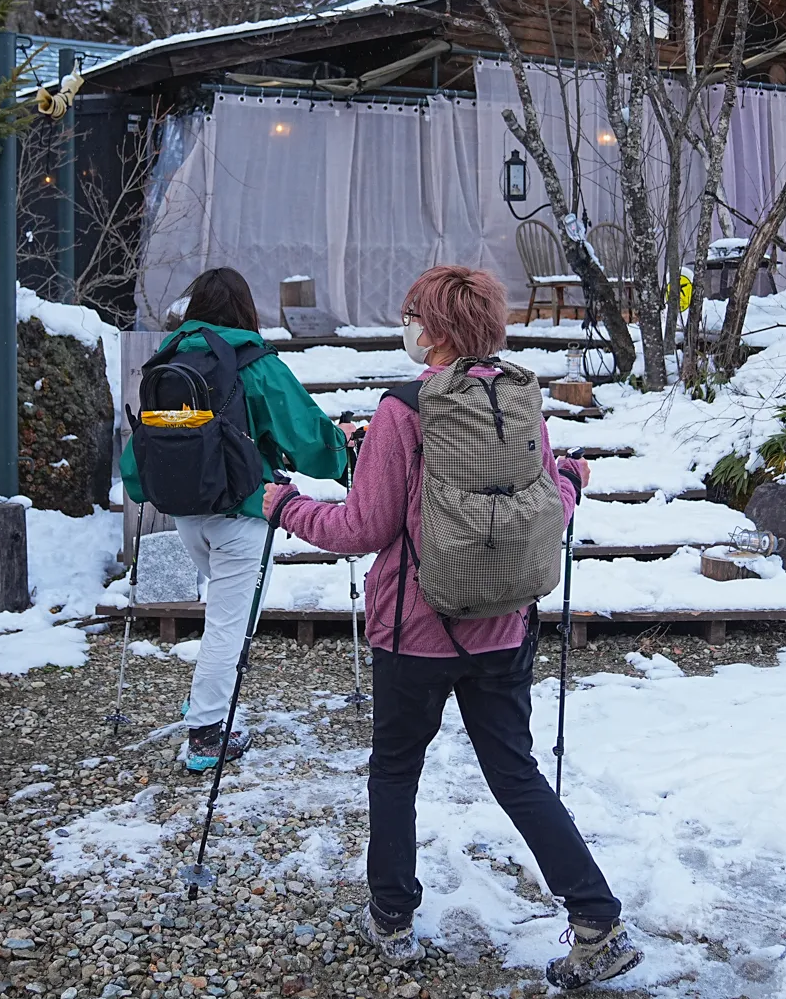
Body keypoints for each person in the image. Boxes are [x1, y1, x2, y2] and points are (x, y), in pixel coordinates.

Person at [261, 265, 642, 990]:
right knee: (516, 773)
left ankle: (393, 916)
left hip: (413, 632)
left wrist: (283, 506)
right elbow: (544, 508)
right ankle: (597, 919)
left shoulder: (405, 410)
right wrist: (568, 481)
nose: (407, 325)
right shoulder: (524, 402)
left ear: (431, 330)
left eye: (412, 315)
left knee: (397, 770)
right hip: (503, 626)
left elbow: (361, 526)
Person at [119, 267, 348, 771]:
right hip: (242, 513)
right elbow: (303, 433)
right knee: (231, 625)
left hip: (185, 510)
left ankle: (206, 696)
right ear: (246, 309)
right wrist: (345, 462)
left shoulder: (172, 357)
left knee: (224, 616)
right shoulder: (251, 361)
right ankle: (205, 734)